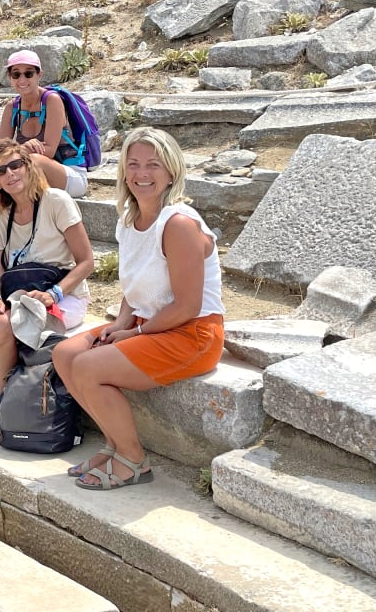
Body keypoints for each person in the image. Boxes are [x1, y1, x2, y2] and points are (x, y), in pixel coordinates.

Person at [52, 127, 225, 491]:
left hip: (192, 333)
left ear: (171, 172)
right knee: (65, 353)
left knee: (87, 366)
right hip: (150, 323)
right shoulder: (129, 219)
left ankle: (133, 460)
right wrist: (122, 322)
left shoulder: (178, 224)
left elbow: (188, 305)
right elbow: (136, 286)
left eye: (153, 165)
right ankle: (114, 446)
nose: (141, 173)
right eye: (133, 164)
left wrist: (135, 333)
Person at [0, 139, 94, 435]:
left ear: (28, 166)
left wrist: (53, 294)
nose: (10, 174)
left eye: (15, 165)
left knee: (2, 325)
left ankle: (0, 402)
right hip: (19, 294)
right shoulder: (1, 214)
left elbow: (87, 262)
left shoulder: (56, 201)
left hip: (62, 293)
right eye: (1, 171)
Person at [0, 50, 88, 198]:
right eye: (16, 74)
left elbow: (49, 151)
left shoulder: (52, 100)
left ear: (39, 75)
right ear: (10, 78)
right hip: (29, 172)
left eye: (28, 73)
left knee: (35, 161)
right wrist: (24, 148)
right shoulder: (12, 107)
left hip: (69, 173)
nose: (22, 79)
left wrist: (18, 150)